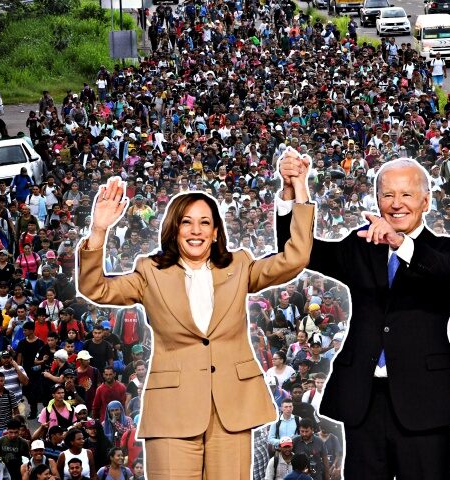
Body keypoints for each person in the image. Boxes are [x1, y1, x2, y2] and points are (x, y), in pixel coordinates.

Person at [77, 175, 314, 478]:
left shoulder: (239, 266)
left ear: (216, 232)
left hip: (230, 412)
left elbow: (296, 257)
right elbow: (94, 287)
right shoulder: (150, 272)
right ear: (174, 229)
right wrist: (99, 230)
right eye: (187, 222)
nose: (196, 230)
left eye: (205, 223)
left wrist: (300, 191)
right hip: (172, 411)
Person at [278, 156, 450, 478]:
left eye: (406, 195)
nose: (396, 204)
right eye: (387, 195)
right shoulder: (361, 245)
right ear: (377, 200)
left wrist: (397, 240)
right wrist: (293, 192)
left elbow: (438, 271)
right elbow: (300, 250)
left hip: (424, 399)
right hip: (363, 398)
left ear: (426, 201)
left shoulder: (447, 249)